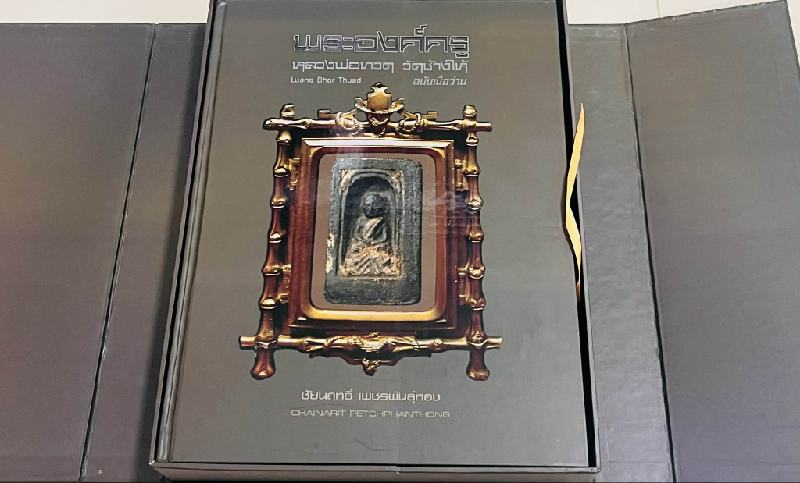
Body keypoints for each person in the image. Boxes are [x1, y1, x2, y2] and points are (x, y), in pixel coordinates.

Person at [341, 191, 397, 276]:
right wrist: (361, 241)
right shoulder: (360, 221)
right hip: (362, 246)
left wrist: (372, 242)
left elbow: (384, 238)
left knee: (380, 255)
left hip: (376, 246)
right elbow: (356, 234)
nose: (370, 209)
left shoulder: (381, 221)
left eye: (374, 206)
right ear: (363, 206)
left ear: (380, 207)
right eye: (367, 205)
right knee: (355, 251)